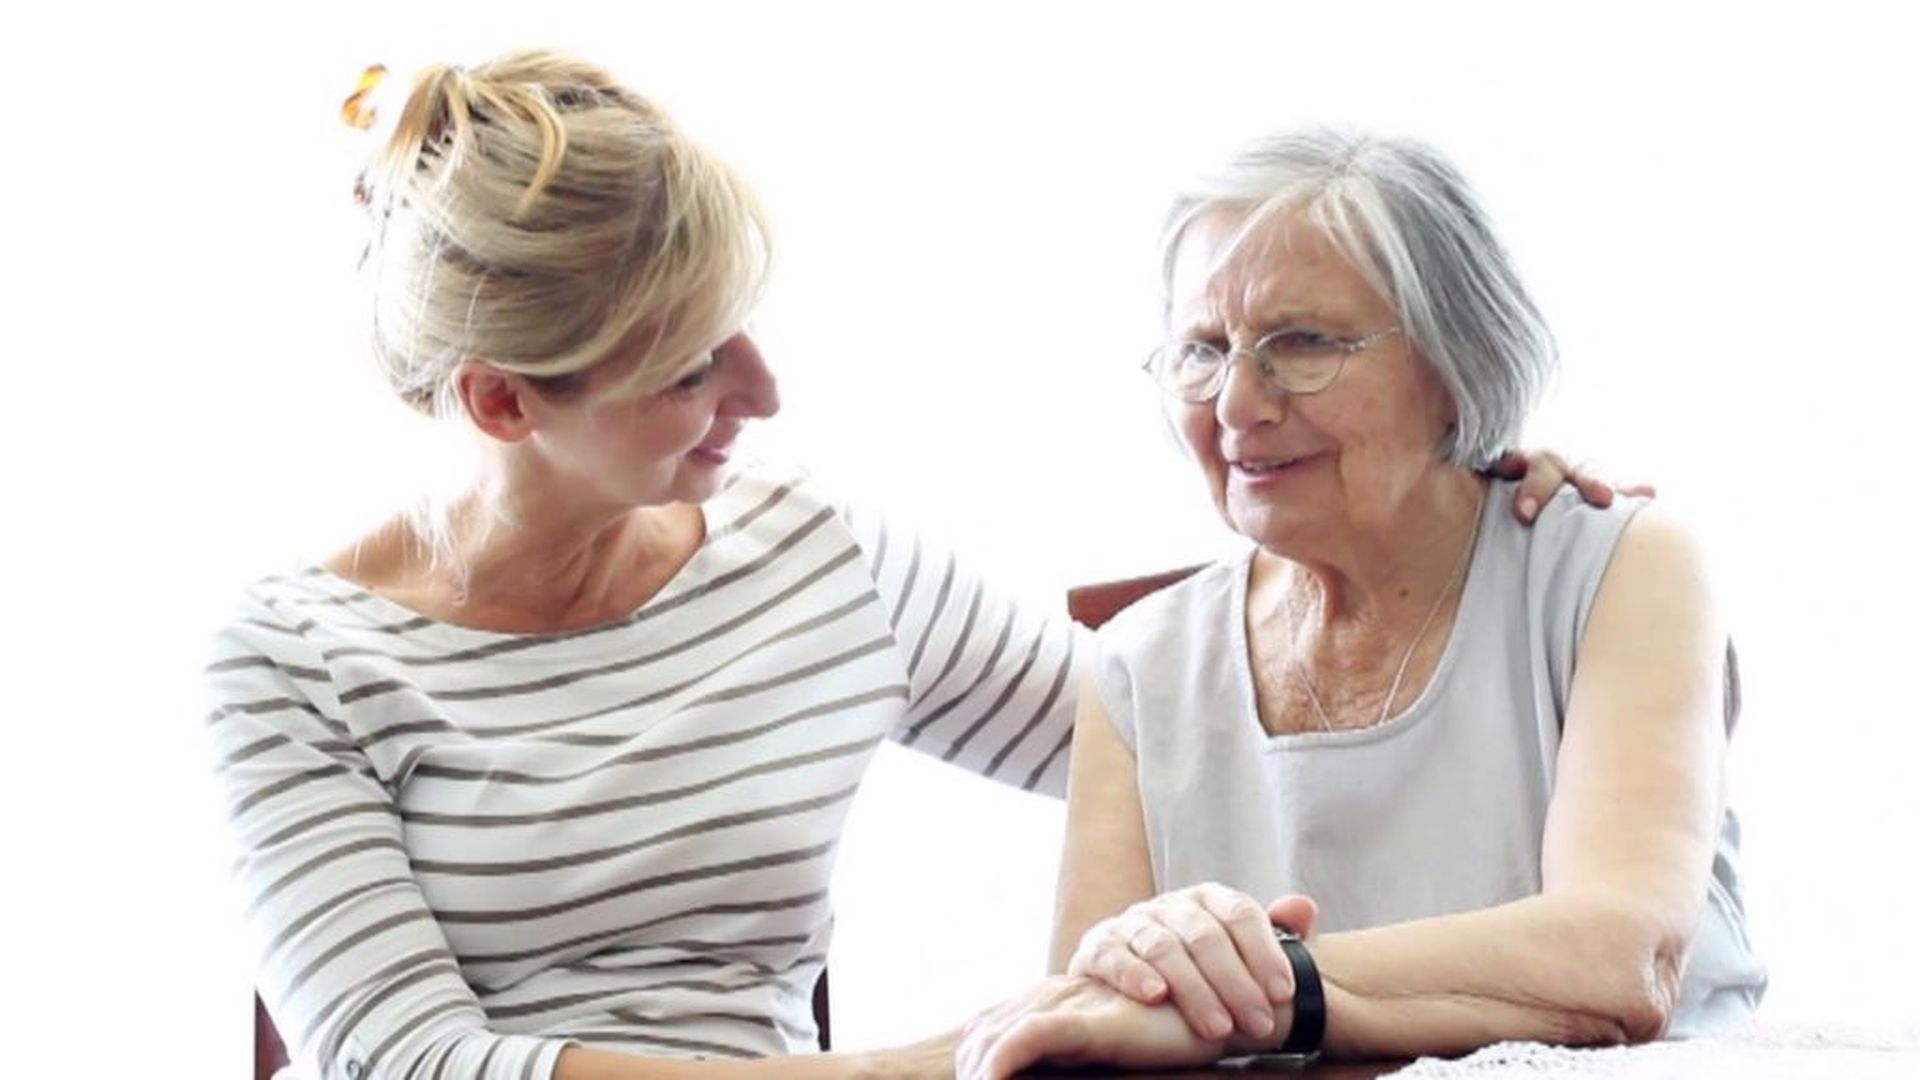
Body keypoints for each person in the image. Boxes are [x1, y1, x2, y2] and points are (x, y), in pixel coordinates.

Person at [202, 53, 1617, 1080]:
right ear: (505, 402)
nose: (763, 393)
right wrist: (952, 1064)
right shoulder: (296, 659)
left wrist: (1459, 516)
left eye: (743, 327)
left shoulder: (819, 558)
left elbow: (1183, 728)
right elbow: (403, 1061)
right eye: (693, 366)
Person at [955, 128, 1766, 1079]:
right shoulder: (1142, 659)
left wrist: (1261, 990)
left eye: (1301, 344)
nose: (1235, 404)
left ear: (1453, 360)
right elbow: (1089, 1021)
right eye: (1203, 349)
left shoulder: (1620, 567)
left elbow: (1619, 957)